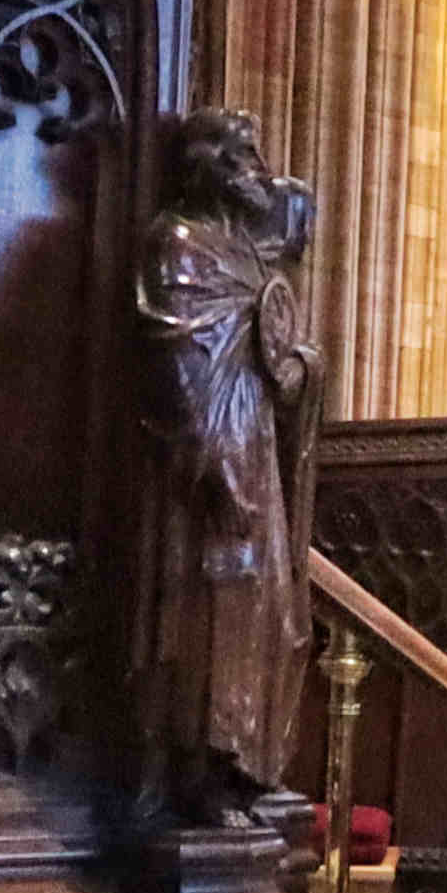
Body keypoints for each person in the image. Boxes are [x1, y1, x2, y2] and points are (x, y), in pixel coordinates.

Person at [132, 110, 320, 816]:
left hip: (255, 437)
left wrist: (299, 369)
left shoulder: (247, 252)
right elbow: (174, 351)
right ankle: (203, 767)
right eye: (241, 154)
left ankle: (244, 758)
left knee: (266, 605)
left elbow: (272, 339)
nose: (256, 169)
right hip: (209, 449)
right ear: (205, 162)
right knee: (214, 603)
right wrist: (208, 459)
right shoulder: (178, 243)